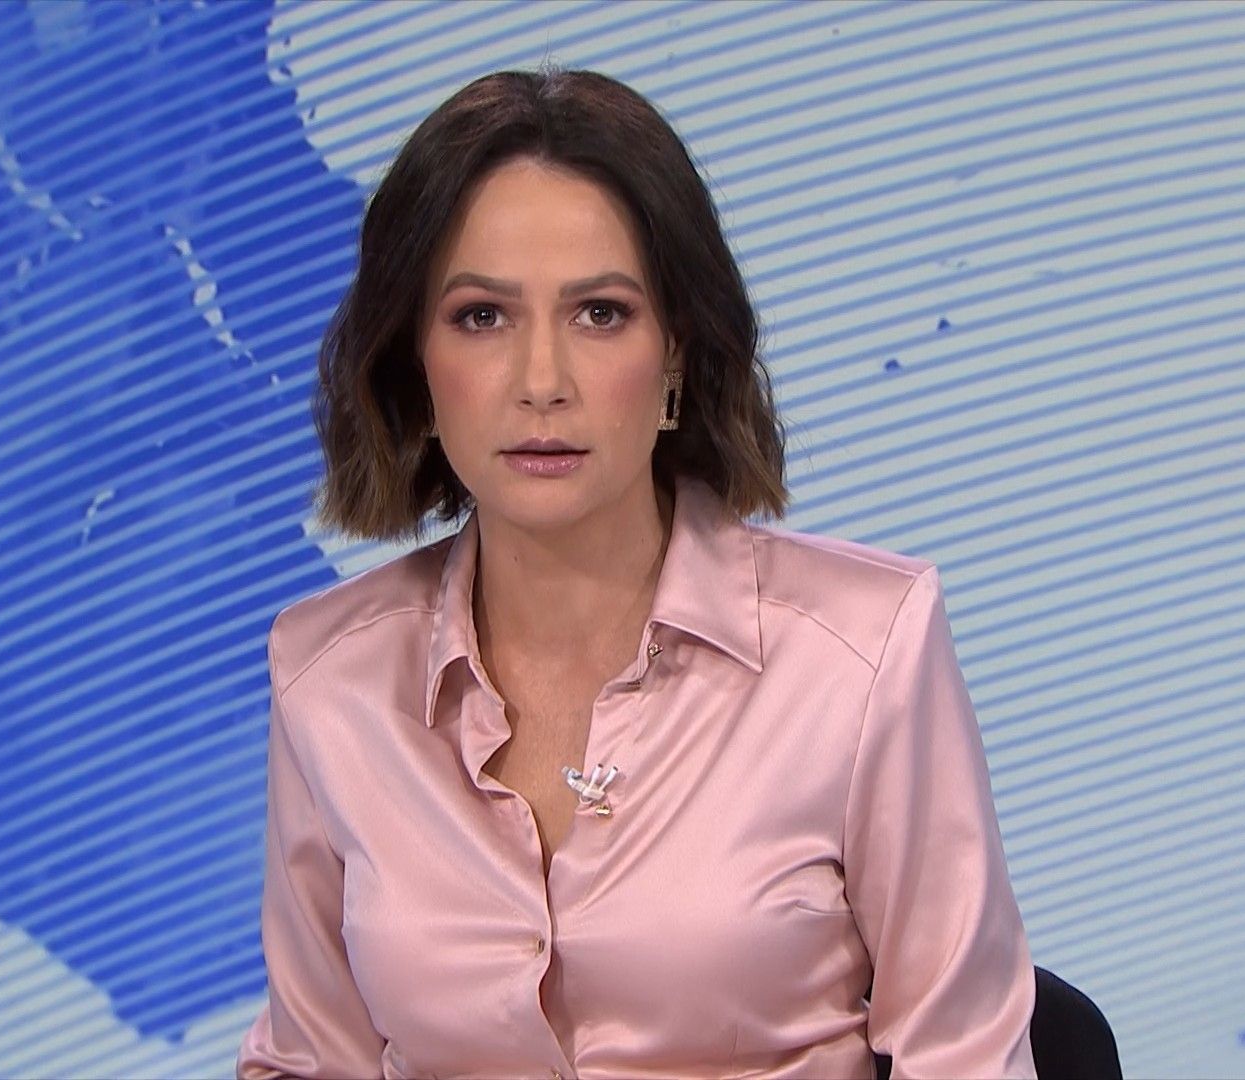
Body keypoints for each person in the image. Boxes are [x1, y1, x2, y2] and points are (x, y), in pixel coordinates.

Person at [237, 66, 1036, 1080]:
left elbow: (968, 1059)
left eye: (600, 314)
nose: (541, 382)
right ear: (414, 365)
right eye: (481, 316)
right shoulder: (329, 680)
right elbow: (313, 1061)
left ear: (677, 357)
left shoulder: (864, 656)